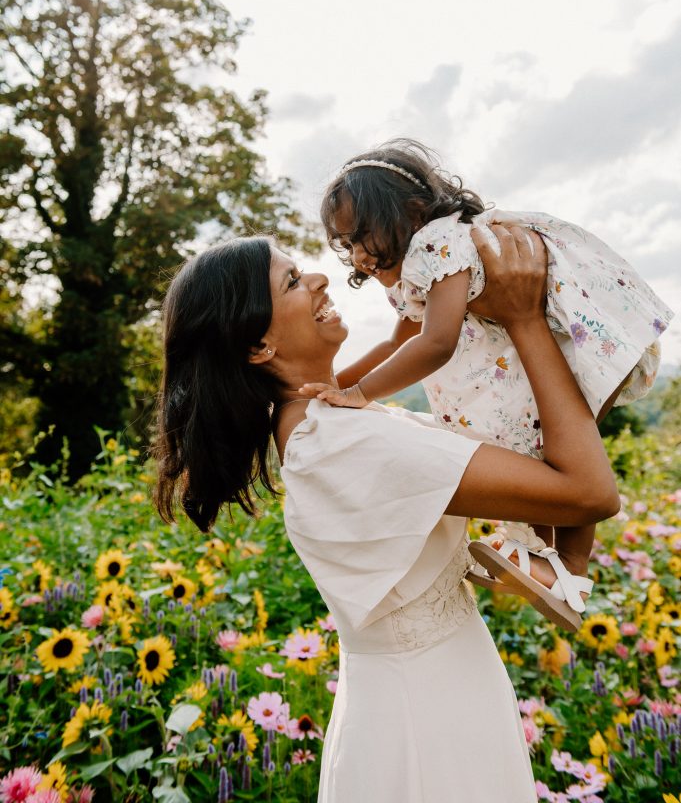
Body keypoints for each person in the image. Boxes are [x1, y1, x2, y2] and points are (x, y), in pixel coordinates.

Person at [153, 224, 620, 802]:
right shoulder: (339, 443)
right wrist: (525, 321)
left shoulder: (328, 419)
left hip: (438, 690)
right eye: (293, 281)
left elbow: (411, 337)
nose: (323, 275)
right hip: (428, 717)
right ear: (258, 347)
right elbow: (590, 493)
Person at [301, 139, 673, 627]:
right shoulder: (418, 270)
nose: (357, 254)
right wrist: (327, 385)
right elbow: (396, 345)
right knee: (538, 462)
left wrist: (357, 395)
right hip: (528, 355)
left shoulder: (439, 243)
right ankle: (552, 566)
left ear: (411, 212)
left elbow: (437, 343)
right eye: (346, 243)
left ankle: (571, 568)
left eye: (362, 234)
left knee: (551, 457)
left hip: (570, 340)